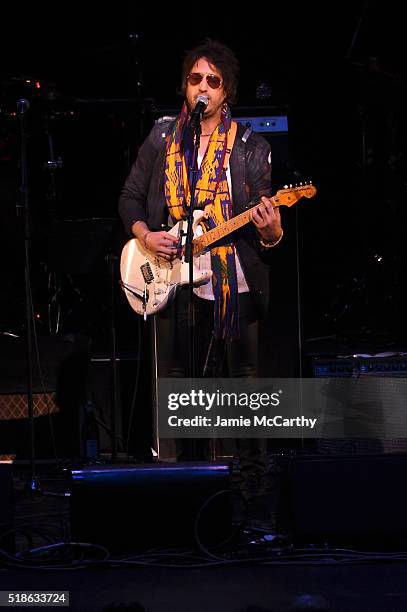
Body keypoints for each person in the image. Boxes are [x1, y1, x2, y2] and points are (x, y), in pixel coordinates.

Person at [119, 39, 283, 530]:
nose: (203, 88)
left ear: (227, 90)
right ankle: (179, 485)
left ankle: (253, 490)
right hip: (170, 273)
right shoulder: (163, 137)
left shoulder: (252, 146)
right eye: (196, 79)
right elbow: (129, 197)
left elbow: (269, 229)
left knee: (243, 381)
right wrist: (147, 235)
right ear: (184, 87)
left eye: (213, 81)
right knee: (174, 381)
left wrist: (272, 230)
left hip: (231, 275)